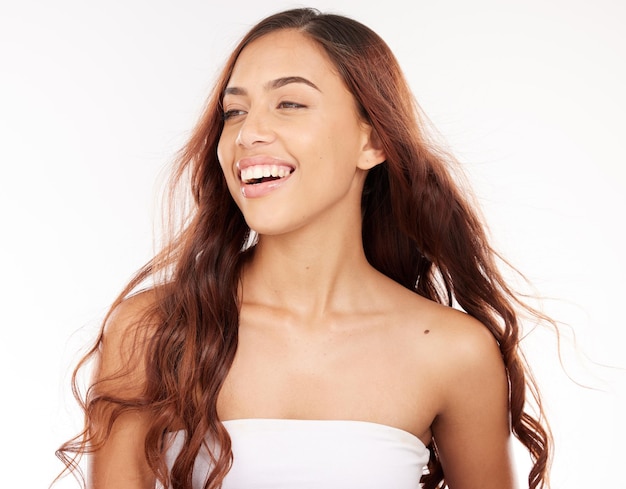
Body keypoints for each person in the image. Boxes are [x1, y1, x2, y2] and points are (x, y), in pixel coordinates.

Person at [56, 7, 552, 489]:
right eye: (235, 111)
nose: (250, 133)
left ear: (373, 140)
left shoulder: (454, 352)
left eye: (289, 103)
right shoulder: (153, 331)